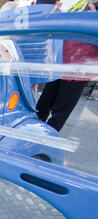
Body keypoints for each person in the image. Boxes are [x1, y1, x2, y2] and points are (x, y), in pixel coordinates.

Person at [35, 0, 97, 131]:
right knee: (41, 107)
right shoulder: (81, 9)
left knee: (58, 115)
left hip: (77, 73)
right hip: (59, 67)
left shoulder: (93, 15)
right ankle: (30, 138)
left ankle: (44, 142)